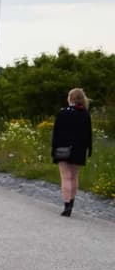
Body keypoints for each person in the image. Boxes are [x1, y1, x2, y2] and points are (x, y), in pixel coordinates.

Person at [51, 88, 93, 217]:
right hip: (79, 149)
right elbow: (88, 134)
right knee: (74, 177)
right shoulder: (85, 114)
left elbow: (56, 133)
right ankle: (72, 203)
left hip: (63, 148)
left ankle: (66, 204)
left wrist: (53, 149)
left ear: (70, 98)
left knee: (65, 177)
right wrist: (89, 149)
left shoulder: (63, 113)